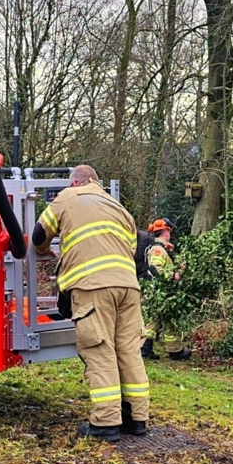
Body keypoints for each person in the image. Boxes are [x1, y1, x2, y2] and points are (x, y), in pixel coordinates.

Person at [31, 165, 150, 442]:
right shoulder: (119, 208)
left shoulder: (67, 198)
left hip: (92, 286)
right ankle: (136, 418)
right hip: (128, 287)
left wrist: (45, 251)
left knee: (99, 348)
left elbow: (39, 235)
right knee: (129, 350)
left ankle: (106, 423)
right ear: (96, 182)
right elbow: (130, 249)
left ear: (75, 183)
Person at [141, 218, 192, 361]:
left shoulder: (163, 249)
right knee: (169, 320)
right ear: (166, 231)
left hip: (158, 292)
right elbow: (155, 269)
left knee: (154, 322)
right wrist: (174, 275)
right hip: (161, 292)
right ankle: (175, 351)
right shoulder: (158, 249)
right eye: (169, 231)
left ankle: (144, 350)